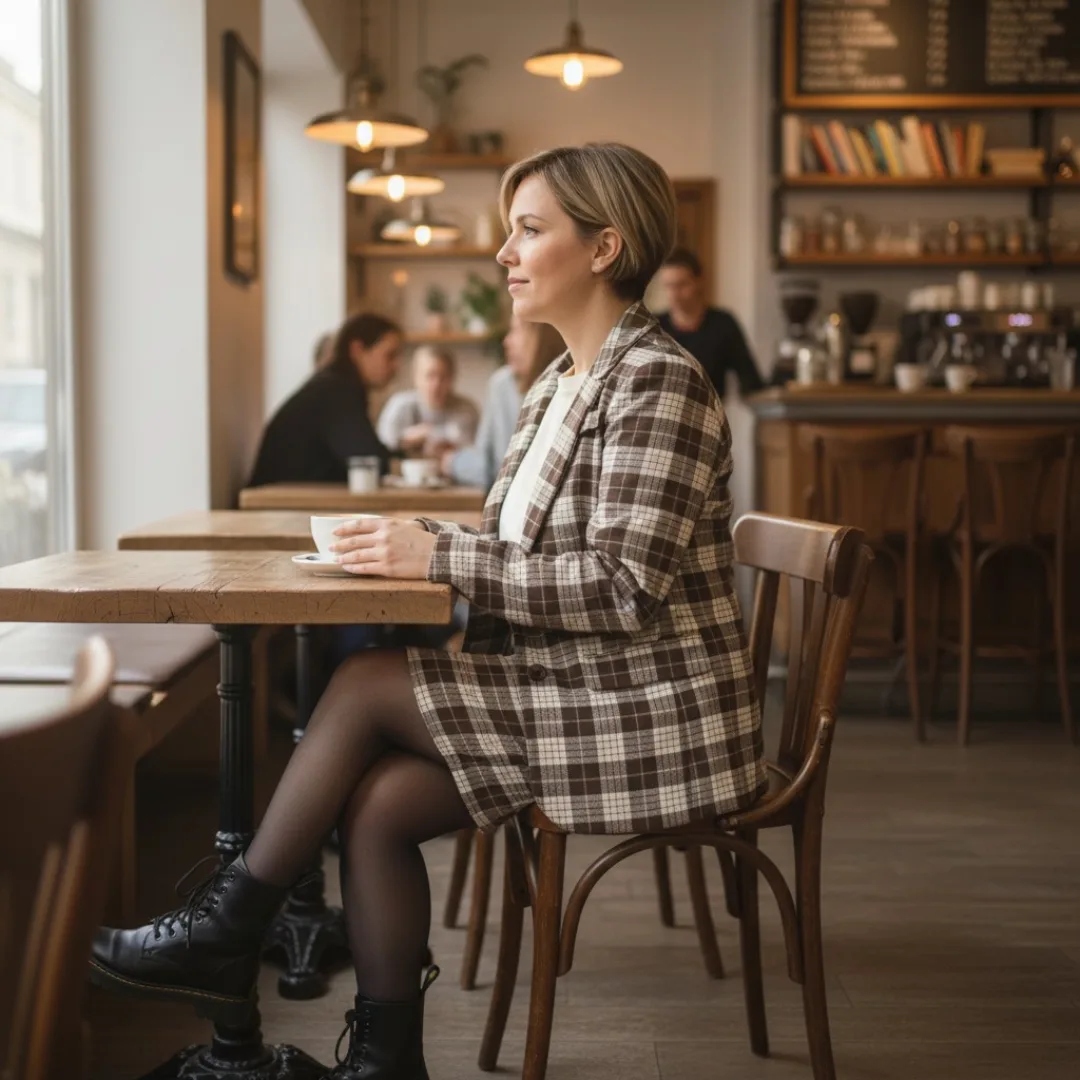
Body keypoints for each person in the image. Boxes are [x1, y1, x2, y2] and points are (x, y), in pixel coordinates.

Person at [88, 144, 765, 1079]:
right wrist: (414, 540)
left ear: (604, 247)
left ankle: (227, 925)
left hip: (650, 707)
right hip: (571, 683)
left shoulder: (658, 380)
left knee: (367, 681)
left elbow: (620, 587)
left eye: (529, 230)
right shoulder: (557, 385)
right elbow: (525, 547)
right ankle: (385, 1062)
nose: (505, 253)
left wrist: (437, 555)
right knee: (377, 807)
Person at [247, 313, 402, 487]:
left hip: (287, 496)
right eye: (390, 355)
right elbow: (368, 460)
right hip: (276, 500)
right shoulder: (337, 391)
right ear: (357, 350)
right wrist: (404, 462)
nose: (396, 366)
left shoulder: (334, 385)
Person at [440, 314, 564, 490]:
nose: (506, 341)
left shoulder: (503, 386)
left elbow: (489, 467)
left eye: (515, 330)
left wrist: (451, 461)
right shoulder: (503, 384)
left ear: (543, 337)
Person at [657, 247, 765, 399]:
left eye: (681, 285)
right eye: (669, 286)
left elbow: (750, 381)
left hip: (709, 411)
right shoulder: (655, 326)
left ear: (699, 281)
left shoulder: (723, 324)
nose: (674, 294)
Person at [376, 346, 479, 456]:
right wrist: (406, 439)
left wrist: (431, 435)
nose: (436, 384)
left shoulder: (466, 410)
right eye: (430, 376)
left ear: (452, 378)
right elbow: (382, 444)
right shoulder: (399, 404)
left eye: (443, 377)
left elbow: (473, 450)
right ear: (416, 377)